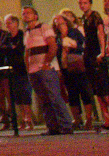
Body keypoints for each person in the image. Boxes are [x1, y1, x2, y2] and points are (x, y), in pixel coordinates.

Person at [20, 7, 74, 135]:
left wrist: (46, 63)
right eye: (24, 14)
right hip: (33, 70)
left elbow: (52, 46)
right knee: (43, 99)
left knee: (54, 96)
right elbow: (27, 51)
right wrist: (28, 67)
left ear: (35, 16)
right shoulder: (27, 32)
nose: (26, 15)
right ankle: (52, 126)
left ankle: (66, 125)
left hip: (46, 68)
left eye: (29, 13)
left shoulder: (43, 27)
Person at [75, 0, 109, 129]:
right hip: (88, 55)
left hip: (96, 53)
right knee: (97, 90)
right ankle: (107, 119)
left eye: (85, 3)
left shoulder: (95, 16)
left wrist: (102, 51)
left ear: (90, 4)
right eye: (81, 3)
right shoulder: (84, 19)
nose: (83, 5)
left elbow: (100, 33)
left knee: (103, 88)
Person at [56, 11, 92, 128]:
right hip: (65, 66)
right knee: (71, 93)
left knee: (84, 91)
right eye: (57, 23)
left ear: (66, 22)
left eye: (61, 22)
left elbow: (85, 45)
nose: (59, 24)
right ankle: (76, 119)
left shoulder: (74, 32)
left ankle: (89, 118)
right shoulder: (57, 38)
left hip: (77, 65)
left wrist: (75, 46)